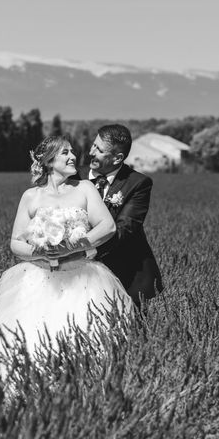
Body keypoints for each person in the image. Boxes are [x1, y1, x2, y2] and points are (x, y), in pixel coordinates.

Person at [0, 135, 134, 376]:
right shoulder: (31, 196)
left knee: (87, 345)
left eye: (72, 152)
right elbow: (15, 242)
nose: (74, 157)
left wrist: (73, 246)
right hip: (40, 279)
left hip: (82, 279)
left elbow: (107, 227)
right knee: (32, 343)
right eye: (65, 153)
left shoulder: (84, 188)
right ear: (49, 161)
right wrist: (40, 251)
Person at [77, 124, 163, 309]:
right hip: (76, 273)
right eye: (93, 145)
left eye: (99, 150)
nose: (91, 152)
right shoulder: (75, 176)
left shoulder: (138, 183)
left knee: (131, 334)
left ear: (117, 158)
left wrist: (82, 249)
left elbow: (126, 228)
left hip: (124, 274)